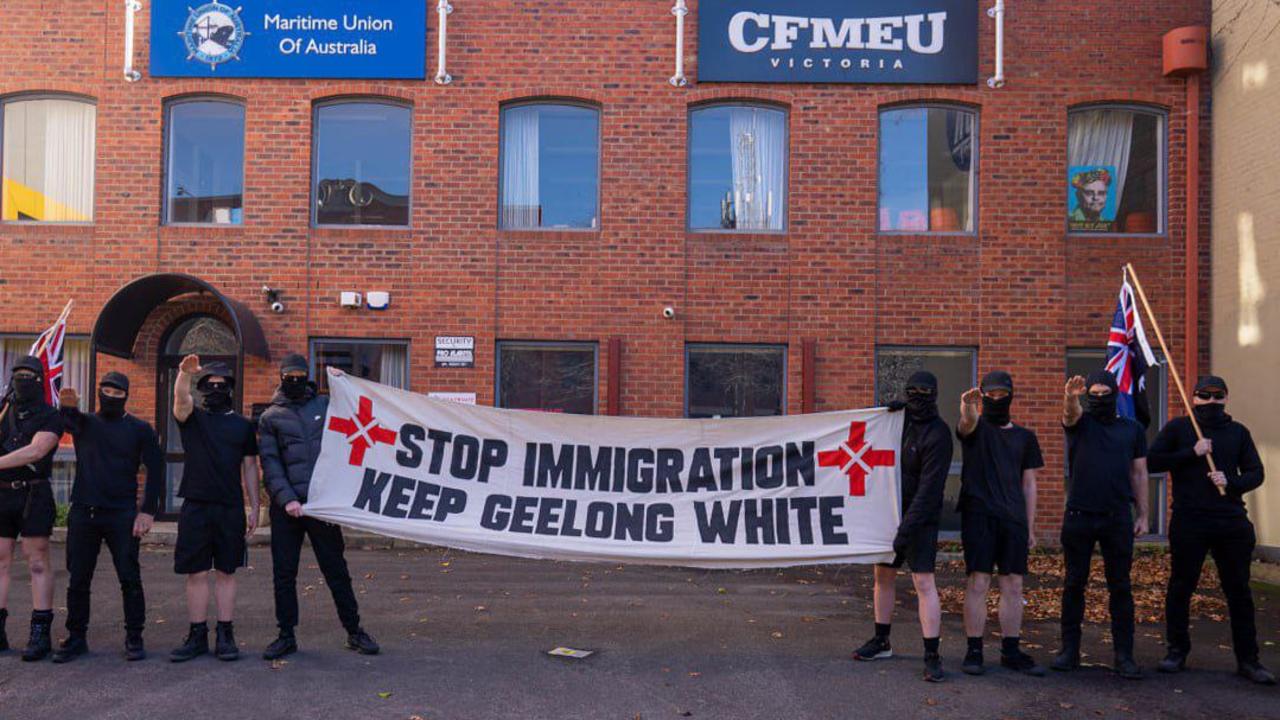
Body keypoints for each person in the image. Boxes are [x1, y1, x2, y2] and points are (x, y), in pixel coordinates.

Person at [1149, 376, 1274, 685]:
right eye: (1204, 396)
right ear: (1194, 399)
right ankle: (1176, 651)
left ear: (1226, 399)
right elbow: (1152, 461)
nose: (1211, 401)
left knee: (1239, 592)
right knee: (1181, 587)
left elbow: (1256, 472)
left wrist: (1230, 482)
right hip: (1190, 521)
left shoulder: (1238, 432)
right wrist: (1191, 452)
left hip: (1230, 522)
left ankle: (1249, 660)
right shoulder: (1179, 429)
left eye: (1217, 396)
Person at [259, 353, 378, 660]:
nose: (295, 380)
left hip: (322, 505)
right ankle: (286, 635)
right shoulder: (270, 417)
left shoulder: (325, 407)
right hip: (288, 509)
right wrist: (287, 499)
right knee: (284, 574)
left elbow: (352, 426)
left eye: (300, 374)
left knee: (336, 569)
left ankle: (354, 631)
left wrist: (343, 384)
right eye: (290, 375)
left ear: (308, 376)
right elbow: (271, 464)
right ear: (282, 377)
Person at [52, 373, 164, 663]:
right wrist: (67, 407)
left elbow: (156, 470)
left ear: (126, 395)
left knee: (129, 576)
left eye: (117, 392)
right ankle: (76, 636)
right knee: (78, 577)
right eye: (106, 390)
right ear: (98, 391)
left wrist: (147, 511)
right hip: (84, 511)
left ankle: (134, 636)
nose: (111, 396)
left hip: (122, 513)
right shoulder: (85, 423)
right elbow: (67, 423)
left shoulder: (140, 429)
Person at [853, 371, 953, 682]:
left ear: (934, 394)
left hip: (919, 521)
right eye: (912, 391)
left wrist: (905, 530)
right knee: (882, 577)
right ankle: (881, 640)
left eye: (923, 390)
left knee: (924, 583)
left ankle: (932, 654)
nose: (917, 396)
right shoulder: (898, 424)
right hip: (889, 514)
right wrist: (884, 413)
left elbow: (930, 489)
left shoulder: (939, 434)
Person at [1051, 371, 1148, 679]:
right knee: (1074, 584)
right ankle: (1069, 651)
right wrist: (1071, 396)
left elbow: (1139, 474)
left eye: (1105, 392)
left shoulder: (1132, 430)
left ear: (1116, 393)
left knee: (1120, 587)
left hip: (1117, 517)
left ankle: (1124, 656)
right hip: (1079, 515)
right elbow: (1070, 414)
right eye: (1094, 393)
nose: (1100, 398)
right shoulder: (1081, 424)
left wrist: (1144, 514)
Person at [169, 356, 260, 663]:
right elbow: (181, 400)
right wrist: (184, 374)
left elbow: (250, 468)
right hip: (196, 503)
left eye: (222, 385)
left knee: (226, 571)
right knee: (195, 572)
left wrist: (255, 506)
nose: (216, 389)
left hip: (230, 506)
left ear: (231, 389)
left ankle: (225, 634)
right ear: (203, 388)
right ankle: (197, 635)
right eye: (210, 385)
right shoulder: (193, 418)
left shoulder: (243, 426)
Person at [956, 370, 1045, 676]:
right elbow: (965, 424)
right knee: (978, 581)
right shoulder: (976, 429)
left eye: (1000, 395)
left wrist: (1030, 526)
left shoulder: (1025, 437)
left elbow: (1029, 484)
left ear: (1010, 395)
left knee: (1013, 583)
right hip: (978, 515)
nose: (995, 399)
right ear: (982, 397)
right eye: (989, 395)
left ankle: (1011, 650)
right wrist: (967, 407)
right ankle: (974, 650)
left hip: (1013, 520)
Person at [0, 356, 64, 661]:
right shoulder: (3, 410)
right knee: (0, 561)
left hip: (33, 495)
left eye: (29, 375)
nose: (22, 380)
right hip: (2, 495)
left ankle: (40, 632)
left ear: (39, 380)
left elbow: (37, 450)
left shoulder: (51, 415)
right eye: (18, 375)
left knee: (37, 561)